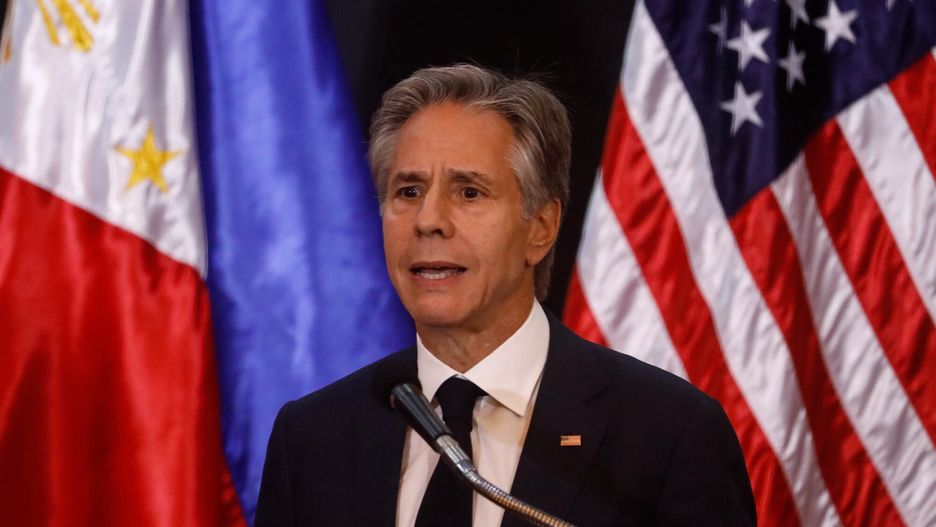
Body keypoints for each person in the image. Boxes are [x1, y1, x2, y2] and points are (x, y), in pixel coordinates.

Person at [254, 64, 757, 526]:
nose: (428, 220)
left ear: (540, 227)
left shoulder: (667, 434)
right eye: (408, 191)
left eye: (469, 192)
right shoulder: (313, 436)